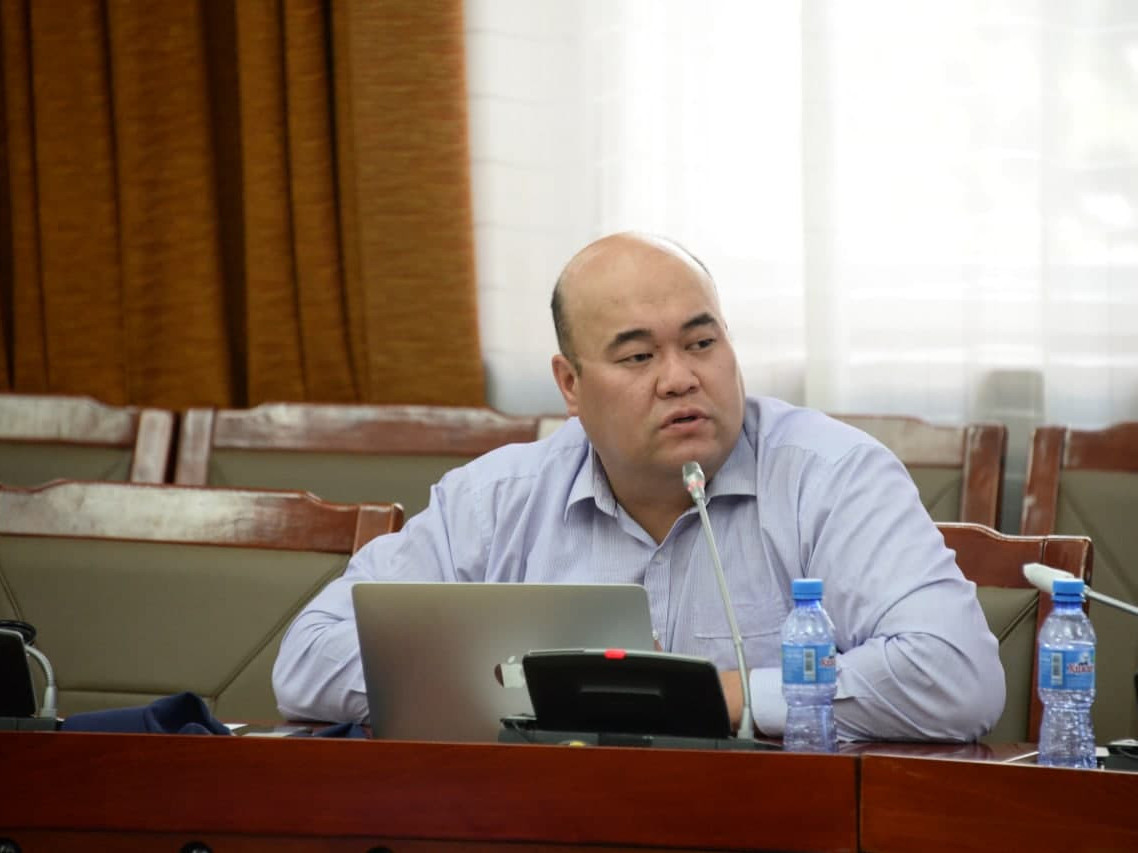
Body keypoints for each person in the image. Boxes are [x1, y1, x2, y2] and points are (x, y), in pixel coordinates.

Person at [273, 231, 1005, 740]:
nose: (681, 377)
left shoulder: (834, 476)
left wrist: (716, 696)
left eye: (702, 342)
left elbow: (957, 674)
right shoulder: (494, 499)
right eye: (637, 356)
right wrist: (555, 692)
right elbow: (308, 658)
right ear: (570, 384)